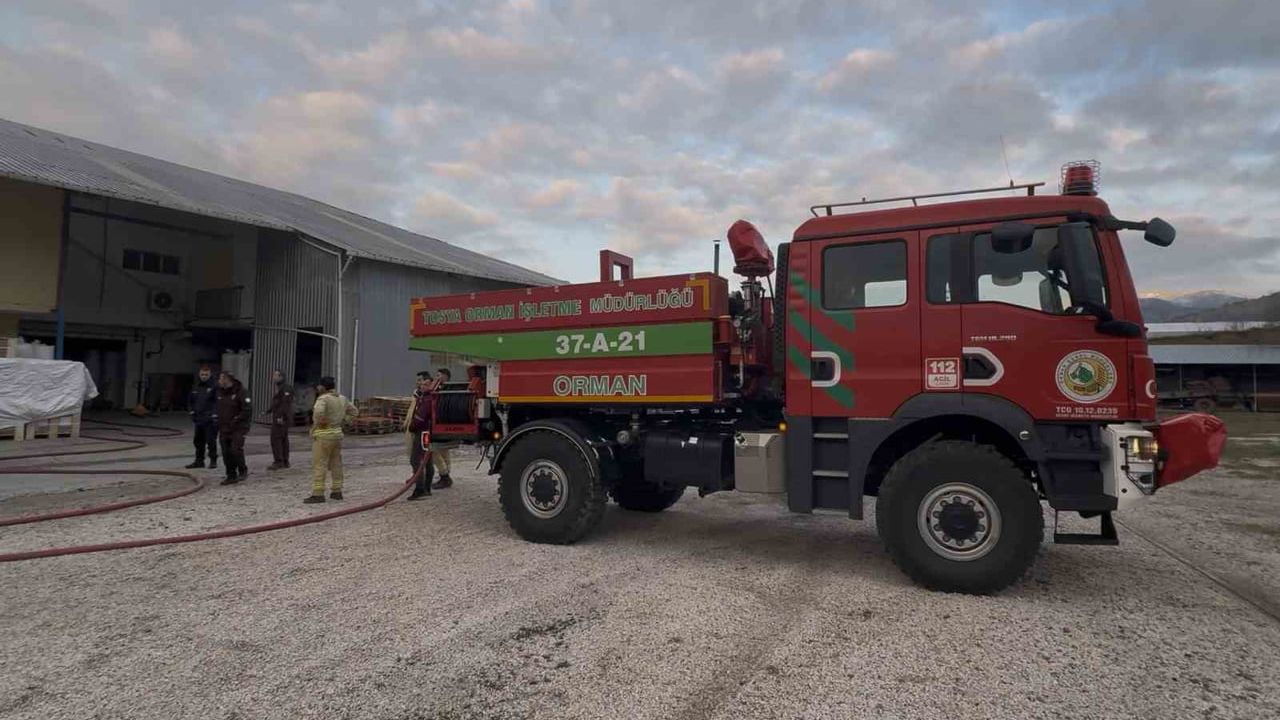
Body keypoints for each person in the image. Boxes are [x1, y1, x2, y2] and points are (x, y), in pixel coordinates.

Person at [306, 376, 356, 504]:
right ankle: (337, 491)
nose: (317, 388)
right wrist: (344, 421)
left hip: (323, 435)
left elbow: (318, 413)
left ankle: (318, 493)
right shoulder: (342, 398)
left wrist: (320, 423)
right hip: (337, 434)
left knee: (320, 464)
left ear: (322, 387)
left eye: (319, 386)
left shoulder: (323, 399)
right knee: (336, 463)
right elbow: (354, 411)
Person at [215, 371, 251, 484]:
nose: (219, 381)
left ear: (227, 380)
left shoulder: (242, 392)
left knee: (235, 449)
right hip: (224, 427)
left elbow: (247, 409)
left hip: (238, 427)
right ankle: (231, 475)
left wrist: (236, 420)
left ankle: (242, 470)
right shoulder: (220, 392)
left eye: (221, 379)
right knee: (226, 452)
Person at [404, 370, 435, 500]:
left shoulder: (427, 399)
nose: (421, 385)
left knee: (416, 460)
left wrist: (411, 426)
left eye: (425, 384)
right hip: (427, 431)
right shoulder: (428, 397)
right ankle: (427, 488)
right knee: (427, 460)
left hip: (422, 431)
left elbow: (420, 418)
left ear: (430, 385)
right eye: (421, 383)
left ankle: (420, 489)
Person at [186, 365, 219, 469]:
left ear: (210, 375)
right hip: (198, 419)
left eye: (206, 374)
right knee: (198, 441)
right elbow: (190, 400)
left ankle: (213, 461)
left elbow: (217, 402)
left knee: (210, 441)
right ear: (199, 375)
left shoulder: (215, 387)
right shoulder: (196, 386)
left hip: (210, 420)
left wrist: (214, 415)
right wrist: (191, 412)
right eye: (202, 374)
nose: (204, 376)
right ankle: (199, 461)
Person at [428, 367, 456, 489]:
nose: (436, 377)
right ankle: (446, 475)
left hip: (441, 424)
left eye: (439, 375)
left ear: (446, 377)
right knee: (444, 451)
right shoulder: (442, 389)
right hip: (444, 424)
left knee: (433, 450)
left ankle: (445, 476)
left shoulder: (446, 391)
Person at [267, 369, 293, 471]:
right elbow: (277, 402)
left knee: (276, 438)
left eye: (275, 375)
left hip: (282, 417)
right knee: (282, 439)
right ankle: (284, 461)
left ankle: (279, 461)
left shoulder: (286, 388)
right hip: (279, 416)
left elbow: (285, 404)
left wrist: (280, 417)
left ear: (281, 377)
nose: (273, 377)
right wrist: (269, 410)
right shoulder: (280, 387)